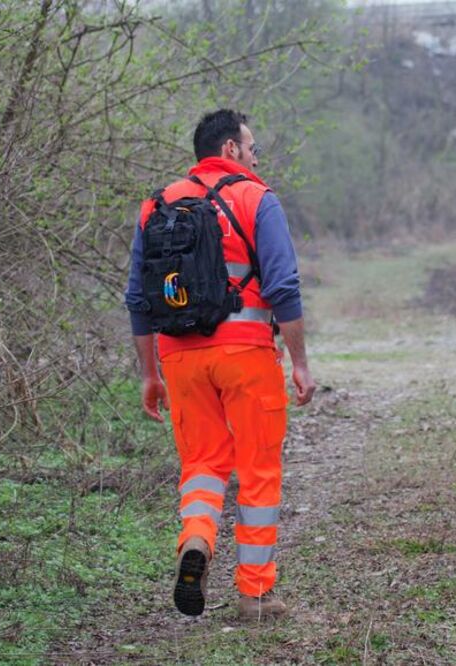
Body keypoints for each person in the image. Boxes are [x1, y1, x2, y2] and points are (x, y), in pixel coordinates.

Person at [124, 109, 315, 620]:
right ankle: (254, 595)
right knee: (257, 469)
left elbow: (138, 300)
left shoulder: (157, 205)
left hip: (180, 358)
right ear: (230, 149)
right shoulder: (257, 198)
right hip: (246, 355)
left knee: (204, 466)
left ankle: (197, 541)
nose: (256, 157)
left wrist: (149, 375)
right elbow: (283, 287)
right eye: (252, 148)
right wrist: (300, 362)